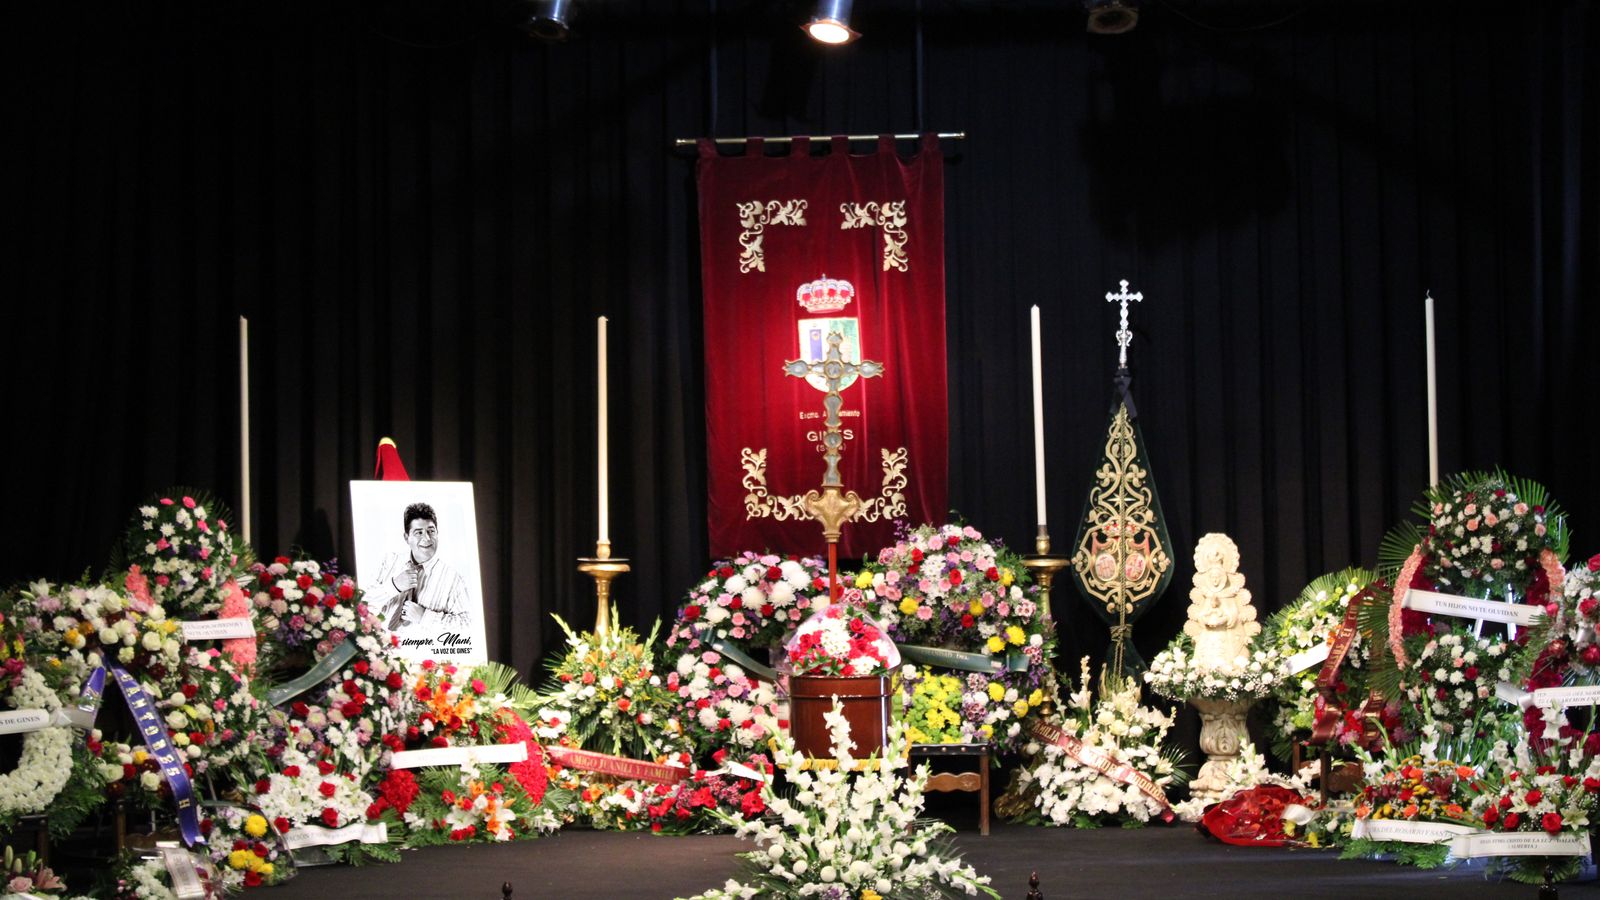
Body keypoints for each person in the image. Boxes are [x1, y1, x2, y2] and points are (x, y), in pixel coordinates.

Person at [366, 502, 471, 635]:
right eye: (419, 532)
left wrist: (425, 617)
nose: (426, 538)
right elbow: (363, 605)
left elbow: (467, 625)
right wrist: (394, 586)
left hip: (425, 651)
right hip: (379, 648)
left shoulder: (453, 579)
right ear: (406, 538)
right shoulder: (388, 562)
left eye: (431, 531)